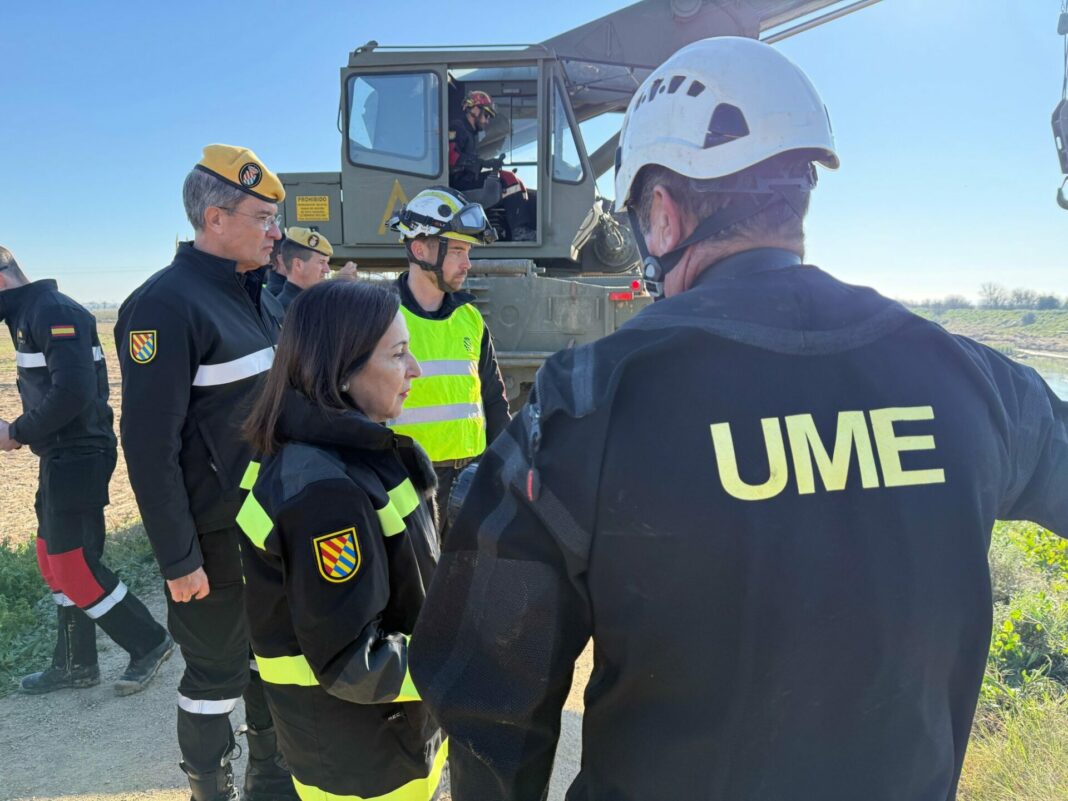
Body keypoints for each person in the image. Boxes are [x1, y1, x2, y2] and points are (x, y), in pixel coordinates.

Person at [410, 36, 1068, 801]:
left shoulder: (586, 402)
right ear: (800, 191)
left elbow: (487, 691)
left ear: (660, 212)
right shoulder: (968, 379)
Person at [115, 145, 296, 801]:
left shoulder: (258, 299)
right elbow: (146, 443)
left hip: (268, 525)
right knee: (216, 675)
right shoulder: (164, 306)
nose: (276, 231)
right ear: (216, 220)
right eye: (263, 216)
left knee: (271, 655)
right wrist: (177, 556)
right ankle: (209, 786)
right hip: (213, 542)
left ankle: (270, 775)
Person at [237, 280, 445, 801]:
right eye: (399, 354)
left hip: (387, 736)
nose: (415, 369)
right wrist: (466, 658)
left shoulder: (353, 450)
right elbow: (354, 661)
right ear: (343, 371)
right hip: (365, 763)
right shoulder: (325, 494)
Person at [0, 247, 173, 696]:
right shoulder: (28, 315)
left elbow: (73, 392)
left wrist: (15, 431)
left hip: (79, 455)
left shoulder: (53, 312)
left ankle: (149, 642)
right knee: (50, 559)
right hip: (57, 455)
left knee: (73, 565)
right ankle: (76, 665)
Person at [387, 186, 510, 533]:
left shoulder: (470, 318)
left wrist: (502, 466)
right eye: (457, 250)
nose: (467, 262)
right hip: (406, 486)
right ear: (419, 248)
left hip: (469, 482)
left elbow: (494, 401)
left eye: (468, 250)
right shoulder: (379, 319)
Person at [448, 90, 502, 193]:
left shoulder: (473, 134)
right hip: (458, 186)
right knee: (503, 181)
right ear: (475, 110)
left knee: (501, 179)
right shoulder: (458, 127)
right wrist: (481, 162)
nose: (487, 121)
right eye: (486, 115)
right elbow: (452, 158)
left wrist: (488, 163)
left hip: (467, 181)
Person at [274, 227, 331, 313]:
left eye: (327, 263)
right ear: (298, 265)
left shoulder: (310, 303)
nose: (327, 270)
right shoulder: (290, 310)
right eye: (321, 262)